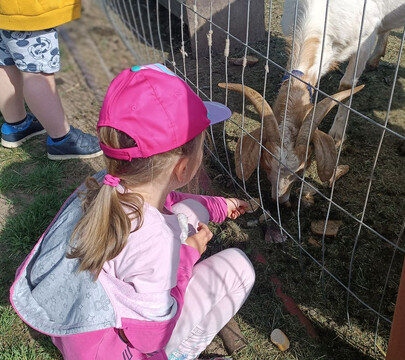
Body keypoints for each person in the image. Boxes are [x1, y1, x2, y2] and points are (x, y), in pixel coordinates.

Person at [10, 64, 256, 360]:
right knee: (239, 268)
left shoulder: (103, 186)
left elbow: (168, 199)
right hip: (119, 351)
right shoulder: (157, 242)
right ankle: (180, 356)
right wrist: (187, 256)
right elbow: (151, 336)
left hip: (80, 328)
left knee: (181, 212)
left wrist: (218, 206)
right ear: (183, 168)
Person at [0, 0, 102, 159]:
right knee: (37, 73)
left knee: (5, 63)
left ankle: (17, 125)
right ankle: (62, 139)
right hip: (28, 10)